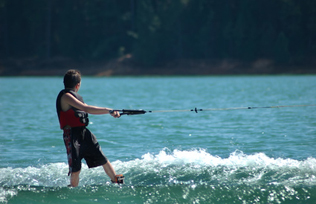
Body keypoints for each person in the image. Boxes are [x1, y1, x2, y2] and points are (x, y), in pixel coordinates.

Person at [56, 69, 124, 187]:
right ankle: (73, 189)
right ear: (78, 85)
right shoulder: (66, 96)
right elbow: (86, 108)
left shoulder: (73, 96)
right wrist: (109, 110)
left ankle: (115, 180)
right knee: (76, 168)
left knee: (102, 158)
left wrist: (111, 111)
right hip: (72, 135)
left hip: (84, 133)